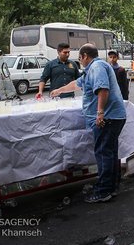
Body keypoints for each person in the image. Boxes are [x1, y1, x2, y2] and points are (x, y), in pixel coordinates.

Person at [50, 44, 126, 203]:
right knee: (109, 153)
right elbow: (77, 83)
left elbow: (103, 89)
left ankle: (104, 190)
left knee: (104, 153)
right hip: (112, 116)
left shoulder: (97, 66)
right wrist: (59, 90)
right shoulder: (91, 69)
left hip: (108, 118)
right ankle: (110, 187)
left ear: (85, 55)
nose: (79, 61)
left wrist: (100, 113)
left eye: (79, 57)